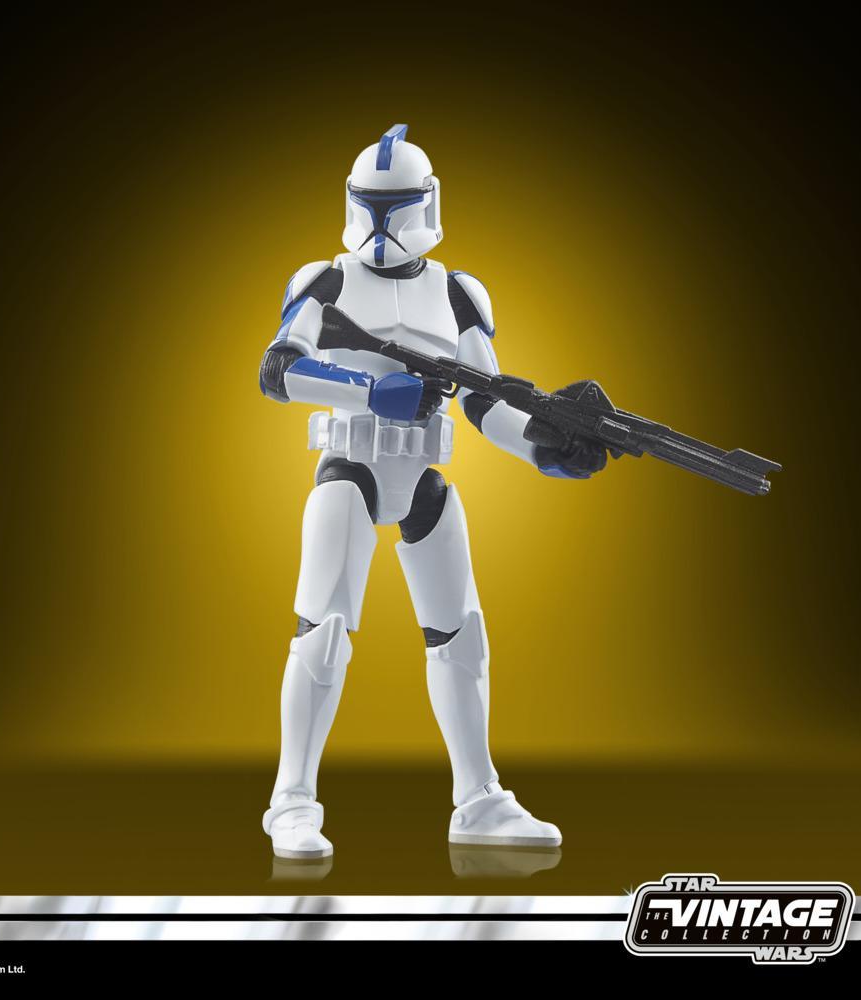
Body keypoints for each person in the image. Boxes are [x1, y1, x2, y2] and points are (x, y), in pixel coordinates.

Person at [257, 125, 607, 859]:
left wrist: (545, 447)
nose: (382, 223)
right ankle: (291, 800)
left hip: (421, 478)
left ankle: (479, 800)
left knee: (461, 635)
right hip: (350, 468)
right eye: (370, 205)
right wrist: (368, 391)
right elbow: (279, 371)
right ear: (352, 202)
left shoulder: (456, 292)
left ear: (427, 203)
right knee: (323, 630)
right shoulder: (324, 282)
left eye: (397, 207)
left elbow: (484, 399)